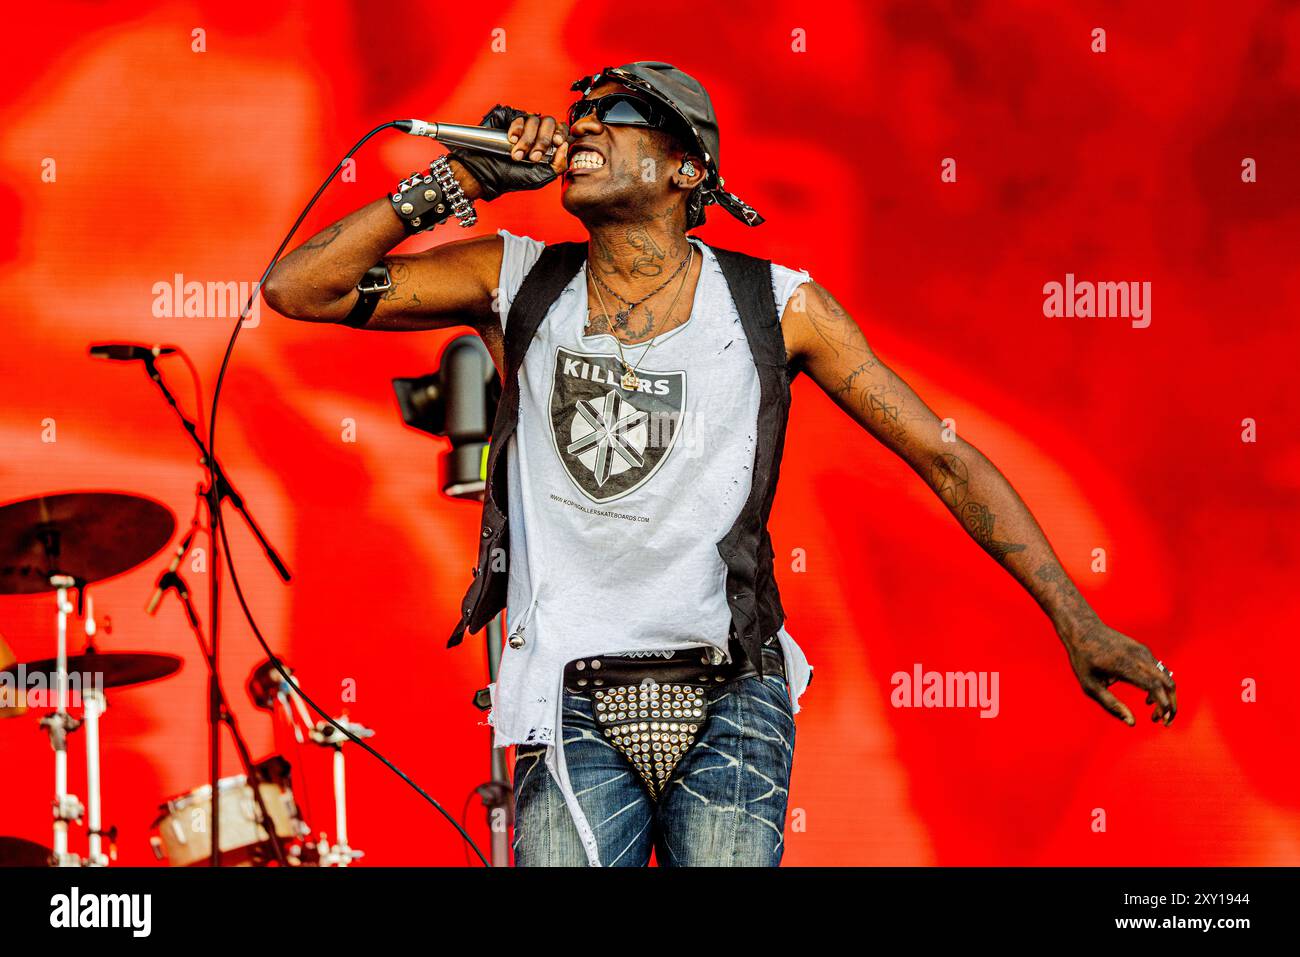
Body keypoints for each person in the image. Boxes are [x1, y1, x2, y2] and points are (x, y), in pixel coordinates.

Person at [263, 61, 1178, 867]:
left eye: (614, 117)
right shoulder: (512, 275)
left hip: (729, 691)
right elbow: (297, 288)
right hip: (567, 697)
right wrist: (455, 176)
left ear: (684, 168)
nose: (581, 127)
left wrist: (1075, 617)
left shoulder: (779, 305)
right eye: (580, 114)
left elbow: (944, 458)